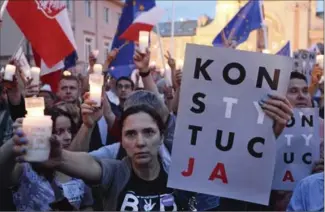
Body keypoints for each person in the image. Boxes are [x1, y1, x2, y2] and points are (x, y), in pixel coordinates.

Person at [12, 105, 196, 211]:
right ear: (121, 141)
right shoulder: (116, 172)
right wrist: (60, 158)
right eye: (131, 134)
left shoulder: (180, 177)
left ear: (161, 137)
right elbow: (90, 163)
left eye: (149, 132)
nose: (140, 142)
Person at [1, 109, 93, 211]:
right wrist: (16, 140)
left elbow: (87, 206)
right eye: (59, 131)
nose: (68, 137)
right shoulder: (26, 170)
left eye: (69, 130)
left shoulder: (77, 169)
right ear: (44, 133)